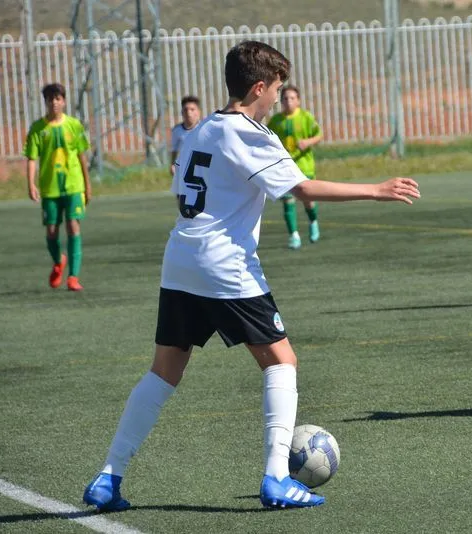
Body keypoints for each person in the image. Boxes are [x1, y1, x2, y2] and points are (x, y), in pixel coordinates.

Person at [82, 41, 420, 511]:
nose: (278, 101)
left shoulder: (199, 131)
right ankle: (276, 478)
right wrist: (376, 190)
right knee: (282, 362)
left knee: (164, 372)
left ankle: (108, 477)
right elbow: (300, 187)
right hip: (225, 266)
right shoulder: (250, 132)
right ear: (258, 87)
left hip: (181, 259)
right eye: (277, 91)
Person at [23, 83, 92, 292]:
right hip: (50, 188)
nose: (54, 102)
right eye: (50, 99)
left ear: (64, 101)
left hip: (73, 185)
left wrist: (87, 186)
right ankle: (58, 261)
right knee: (52, 232)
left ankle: (73, 277)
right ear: (45, 102)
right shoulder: (38, 129)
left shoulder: (74, 125)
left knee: (73, 227)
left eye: (58, 98)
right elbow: (32, 158)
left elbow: (82, 156)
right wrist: (31, 184)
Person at [267, 86, 324, 249]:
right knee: (287, 200)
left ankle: (313, 221)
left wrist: (308, 142)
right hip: (284, 167)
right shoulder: (276, 121)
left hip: (304, 165)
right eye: (285, 98)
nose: (288, 101)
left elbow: (319, 135)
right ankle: (294, 235)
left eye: (292, 98)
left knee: (307, 199)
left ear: (298, 101)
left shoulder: (305, 117)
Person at [170, 95, 202, 176]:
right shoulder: (177, 130)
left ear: (198, 111)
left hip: (203, 167)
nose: (189, 113)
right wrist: (172, 165)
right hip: (184, 168)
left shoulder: (204, 128)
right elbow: (174, 149)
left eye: (192, 109)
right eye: (185, 110)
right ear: (182, 112)